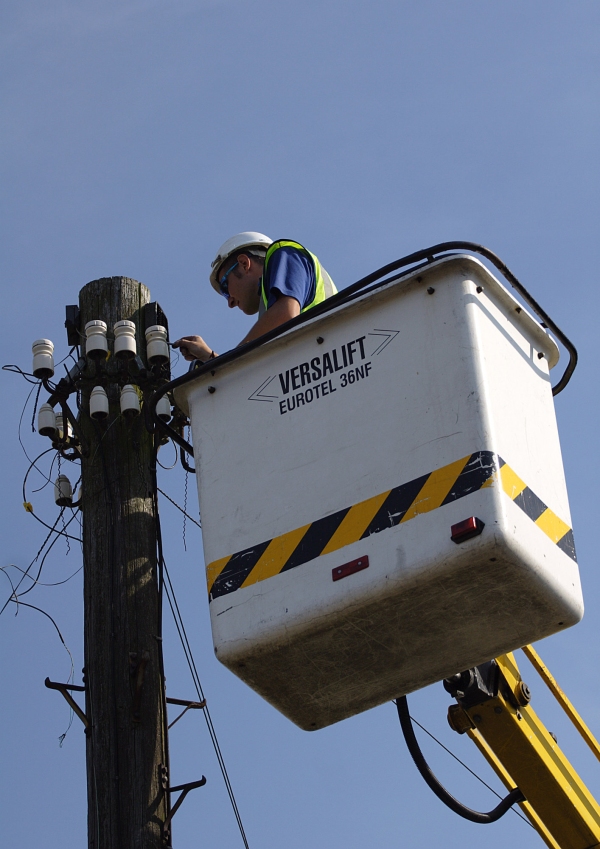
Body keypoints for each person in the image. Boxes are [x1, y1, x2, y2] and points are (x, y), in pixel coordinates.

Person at [173, 232, 337, 362]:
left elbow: (285, 316)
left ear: (244, 264)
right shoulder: (270, 314)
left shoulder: (284, 254)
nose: (230, 301)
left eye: (225, 287)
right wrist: (211, 358)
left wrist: (224, 364)